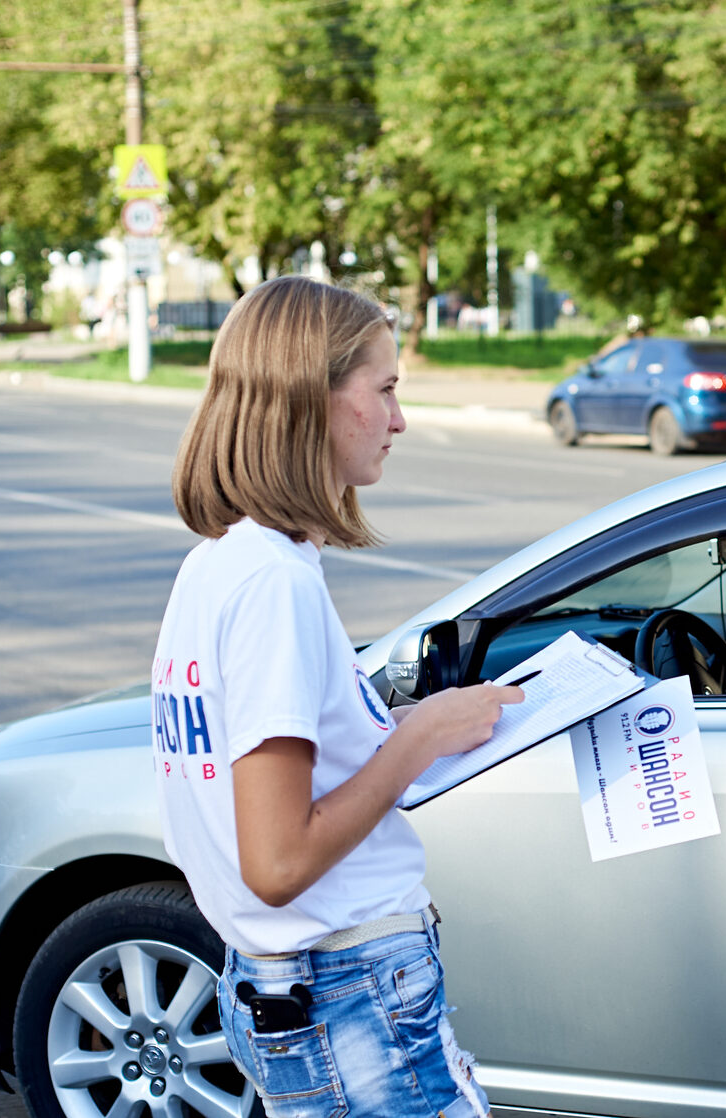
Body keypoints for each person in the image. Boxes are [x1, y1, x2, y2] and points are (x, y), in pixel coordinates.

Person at [152, 275, 522, 1117]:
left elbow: (267, 765)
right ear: (307, 399)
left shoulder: (220, 566)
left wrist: (408, 728)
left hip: (301, 985)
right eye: (385, 390)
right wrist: (418, 737)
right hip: (349, 993)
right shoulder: (272, 584)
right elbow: (279, 861)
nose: (399, 420)